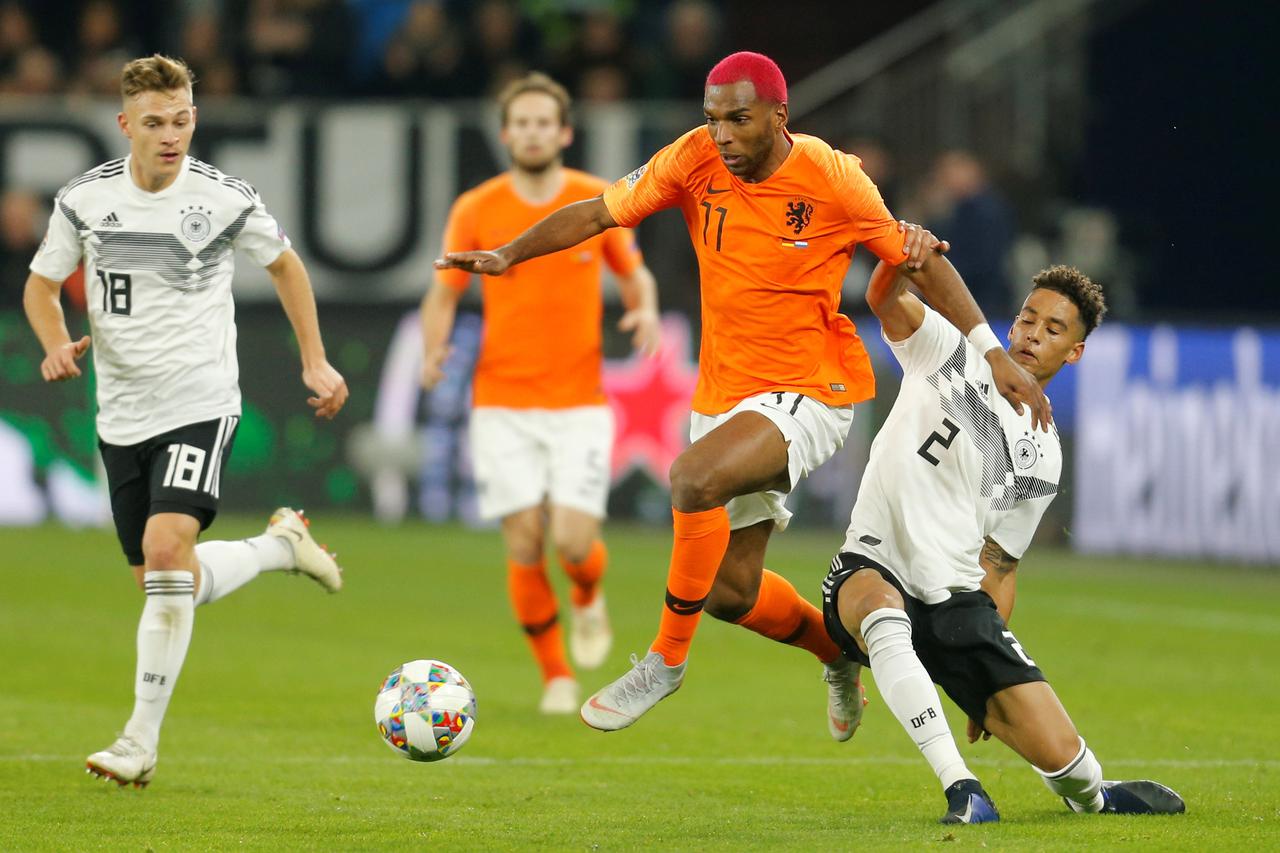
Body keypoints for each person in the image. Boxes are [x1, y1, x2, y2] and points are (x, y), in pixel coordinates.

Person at [436, 51, 1050, 734]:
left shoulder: (834, 177)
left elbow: (919, 259)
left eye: (738, 119)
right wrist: (509, 254)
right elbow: (597, 213)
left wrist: (992, 351)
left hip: (812, 388)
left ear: (779, 116)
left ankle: (665, 661)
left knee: (692, 478)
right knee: (730, 592)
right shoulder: (693, 158)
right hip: (725, 393)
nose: (722, 134)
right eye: (712, 119)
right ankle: (838, 653)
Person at [22, 54, 349, 787]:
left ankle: (138, 742)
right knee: (167, 581)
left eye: (181, 120)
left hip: (200, 402)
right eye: (154, 123)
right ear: (125, 124)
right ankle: (279, 547)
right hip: (121, 415)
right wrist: (53, 344)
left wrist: (315, 360)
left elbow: (286, 265)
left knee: (167, 550)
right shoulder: (85, 200)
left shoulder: (223, 198)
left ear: (194, 118)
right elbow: (41, 287)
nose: (170, 135)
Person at [822, 234, 1185, 822]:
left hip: (956, 601)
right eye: (1028, 318)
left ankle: (1096, 797)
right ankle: (962, 788)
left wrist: (981, 673)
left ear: (1075, 352)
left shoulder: (1045, 453)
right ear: (1012, 324)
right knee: (881, 611)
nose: (1034, 334)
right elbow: (885, 295)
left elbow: (1000, 565)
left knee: (1070, 763)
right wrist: (906, 249)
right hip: (872, 566)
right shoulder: (949, 349)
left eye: (1053, 329)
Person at [422, 72, 661, 714]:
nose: (531, 133)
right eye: (521, 123)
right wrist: (433, 347)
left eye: (542, 123)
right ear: (506, 134)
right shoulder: (477, 207)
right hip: (501, 401)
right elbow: (443, 293)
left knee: (575, 545)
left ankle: (587, 595)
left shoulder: (593, 201)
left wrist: (643, 310)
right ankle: (556, 675)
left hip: (579, 402)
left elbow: (635, 275)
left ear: (564, 133)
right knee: (525, 541)